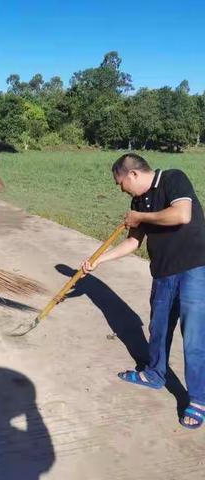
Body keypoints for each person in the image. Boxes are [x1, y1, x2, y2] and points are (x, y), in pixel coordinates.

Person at [82, 153, 205, 429]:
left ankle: (197, 399)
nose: (121, 188)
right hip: (162, 274)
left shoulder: (173, 179)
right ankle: (155, 374)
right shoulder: (138, 201)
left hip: (194, 270)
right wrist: (99, 260)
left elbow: (182, 215)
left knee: (195, 337)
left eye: (121, 183)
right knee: (158, 329)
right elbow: (133, 243)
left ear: (133, 174)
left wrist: (140, 216)